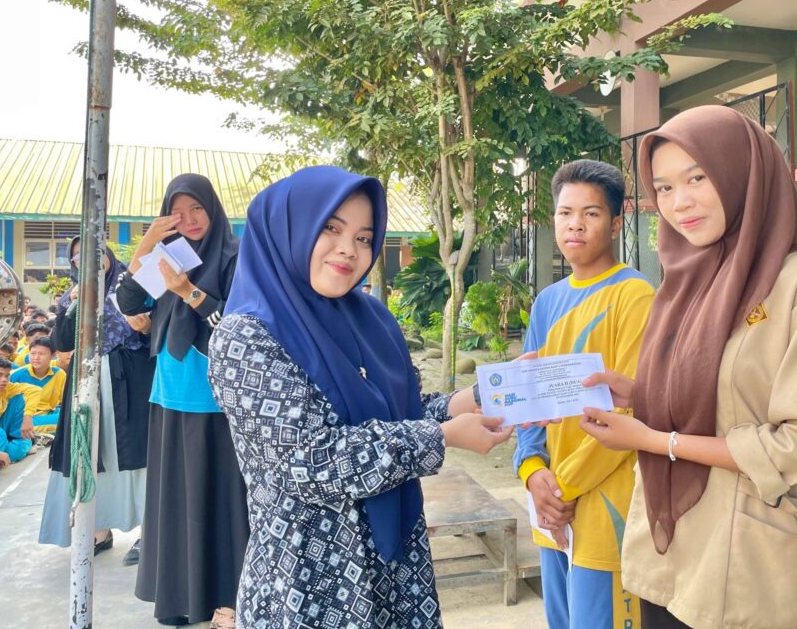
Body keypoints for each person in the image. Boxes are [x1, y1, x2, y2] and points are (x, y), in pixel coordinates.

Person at [578, 106, 797, 629]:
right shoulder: (685, 278)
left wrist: (656, 441)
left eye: (697, 178)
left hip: (740, 560)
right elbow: (718, 392)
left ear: (741, 174)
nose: (678, 202)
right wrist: (638, 392)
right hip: (666, 552)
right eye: (663, 187)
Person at [208, 166, 512, 628]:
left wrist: (474, 398)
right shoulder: (246, 337)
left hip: (396, 566)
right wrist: (443, 437)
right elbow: (311, 461)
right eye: (331, 229)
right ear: (289, 230)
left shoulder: (370, 317)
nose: (349, 249)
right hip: (312, 577)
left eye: (364, 237)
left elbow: (399, 412)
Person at [513, 160, 655, 629]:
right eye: (565, 213)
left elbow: (632, 411)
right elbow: (527, 399)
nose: (575, 224)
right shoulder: (547, 301)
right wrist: (533, 472)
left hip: (605, 502)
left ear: (615, 224)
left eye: (591, 214)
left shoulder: (635, 295)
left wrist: (563, 490)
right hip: (550, 501)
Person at [116, 173, 247, 629]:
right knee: (176, 501)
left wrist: (188, 292)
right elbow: (128, 300)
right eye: (178, 212)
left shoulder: (236, 257)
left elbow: (238, 329)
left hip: (218, 400)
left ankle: (229, 597)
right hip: (170, 392)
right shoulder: (169, 255)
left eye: (197, 209)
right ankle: (181, 597)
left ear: (212, 209)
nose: (189, 220)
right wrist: (145, 248)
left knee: (223, 502)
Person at [40, 237, 155, 563]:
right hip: (86, 382)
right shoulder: (73, 295)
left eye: (95, 253)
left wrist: (147, 328)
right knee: (91, 452)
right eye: (78, 257)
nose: (87, 260)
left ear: (108, 256)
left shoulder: (132, 285)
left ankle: (149, 533)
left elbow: (158, 329)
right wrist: (73, 304)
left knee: (138, 454)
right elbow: (62, 342)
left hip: (131, 381)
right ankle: (99, 529)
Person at [0, 355, 43, 474]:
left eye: (7, 375)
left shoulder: (6, 388)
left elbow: (35, 390)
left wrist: (28, 417)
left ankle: (19, 439)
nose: (4, 379)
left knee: (19, 398)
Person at [10, 337, 65, 436]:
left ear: (53, 356)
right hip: (25, 418)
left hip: (49, 414)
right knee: (64, 423)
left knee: (69, 416)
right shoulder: (17, 374)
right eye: (32, 353)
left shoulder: (59, 374)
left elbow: (64, 401)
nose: (36, 357)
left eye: (41, 354)